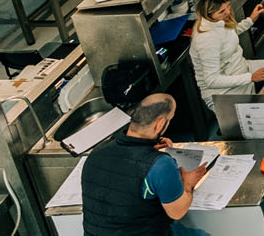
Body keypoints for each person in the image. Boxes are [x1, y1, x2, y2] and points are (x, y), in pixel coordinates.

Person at [81, 94, 205, 236]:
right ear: (159, 124)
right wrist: (188, 184)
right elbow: (177, 212)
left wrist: (149, 145)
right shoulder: (160, 165)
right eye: (169, 120)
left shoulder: (98, 151)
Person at [191, 0, 264, 113]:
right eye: (222, 11)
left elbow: (229, 34)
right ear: (209, 14)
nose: (228, 12)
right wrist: (251, 77)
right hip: (223, 92)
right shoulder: (206, 39)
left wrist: (250, 20)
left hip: (241, 68)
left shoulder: (217, 21)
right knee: (259, 117)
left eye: (228, 7)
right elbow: (212, 80)